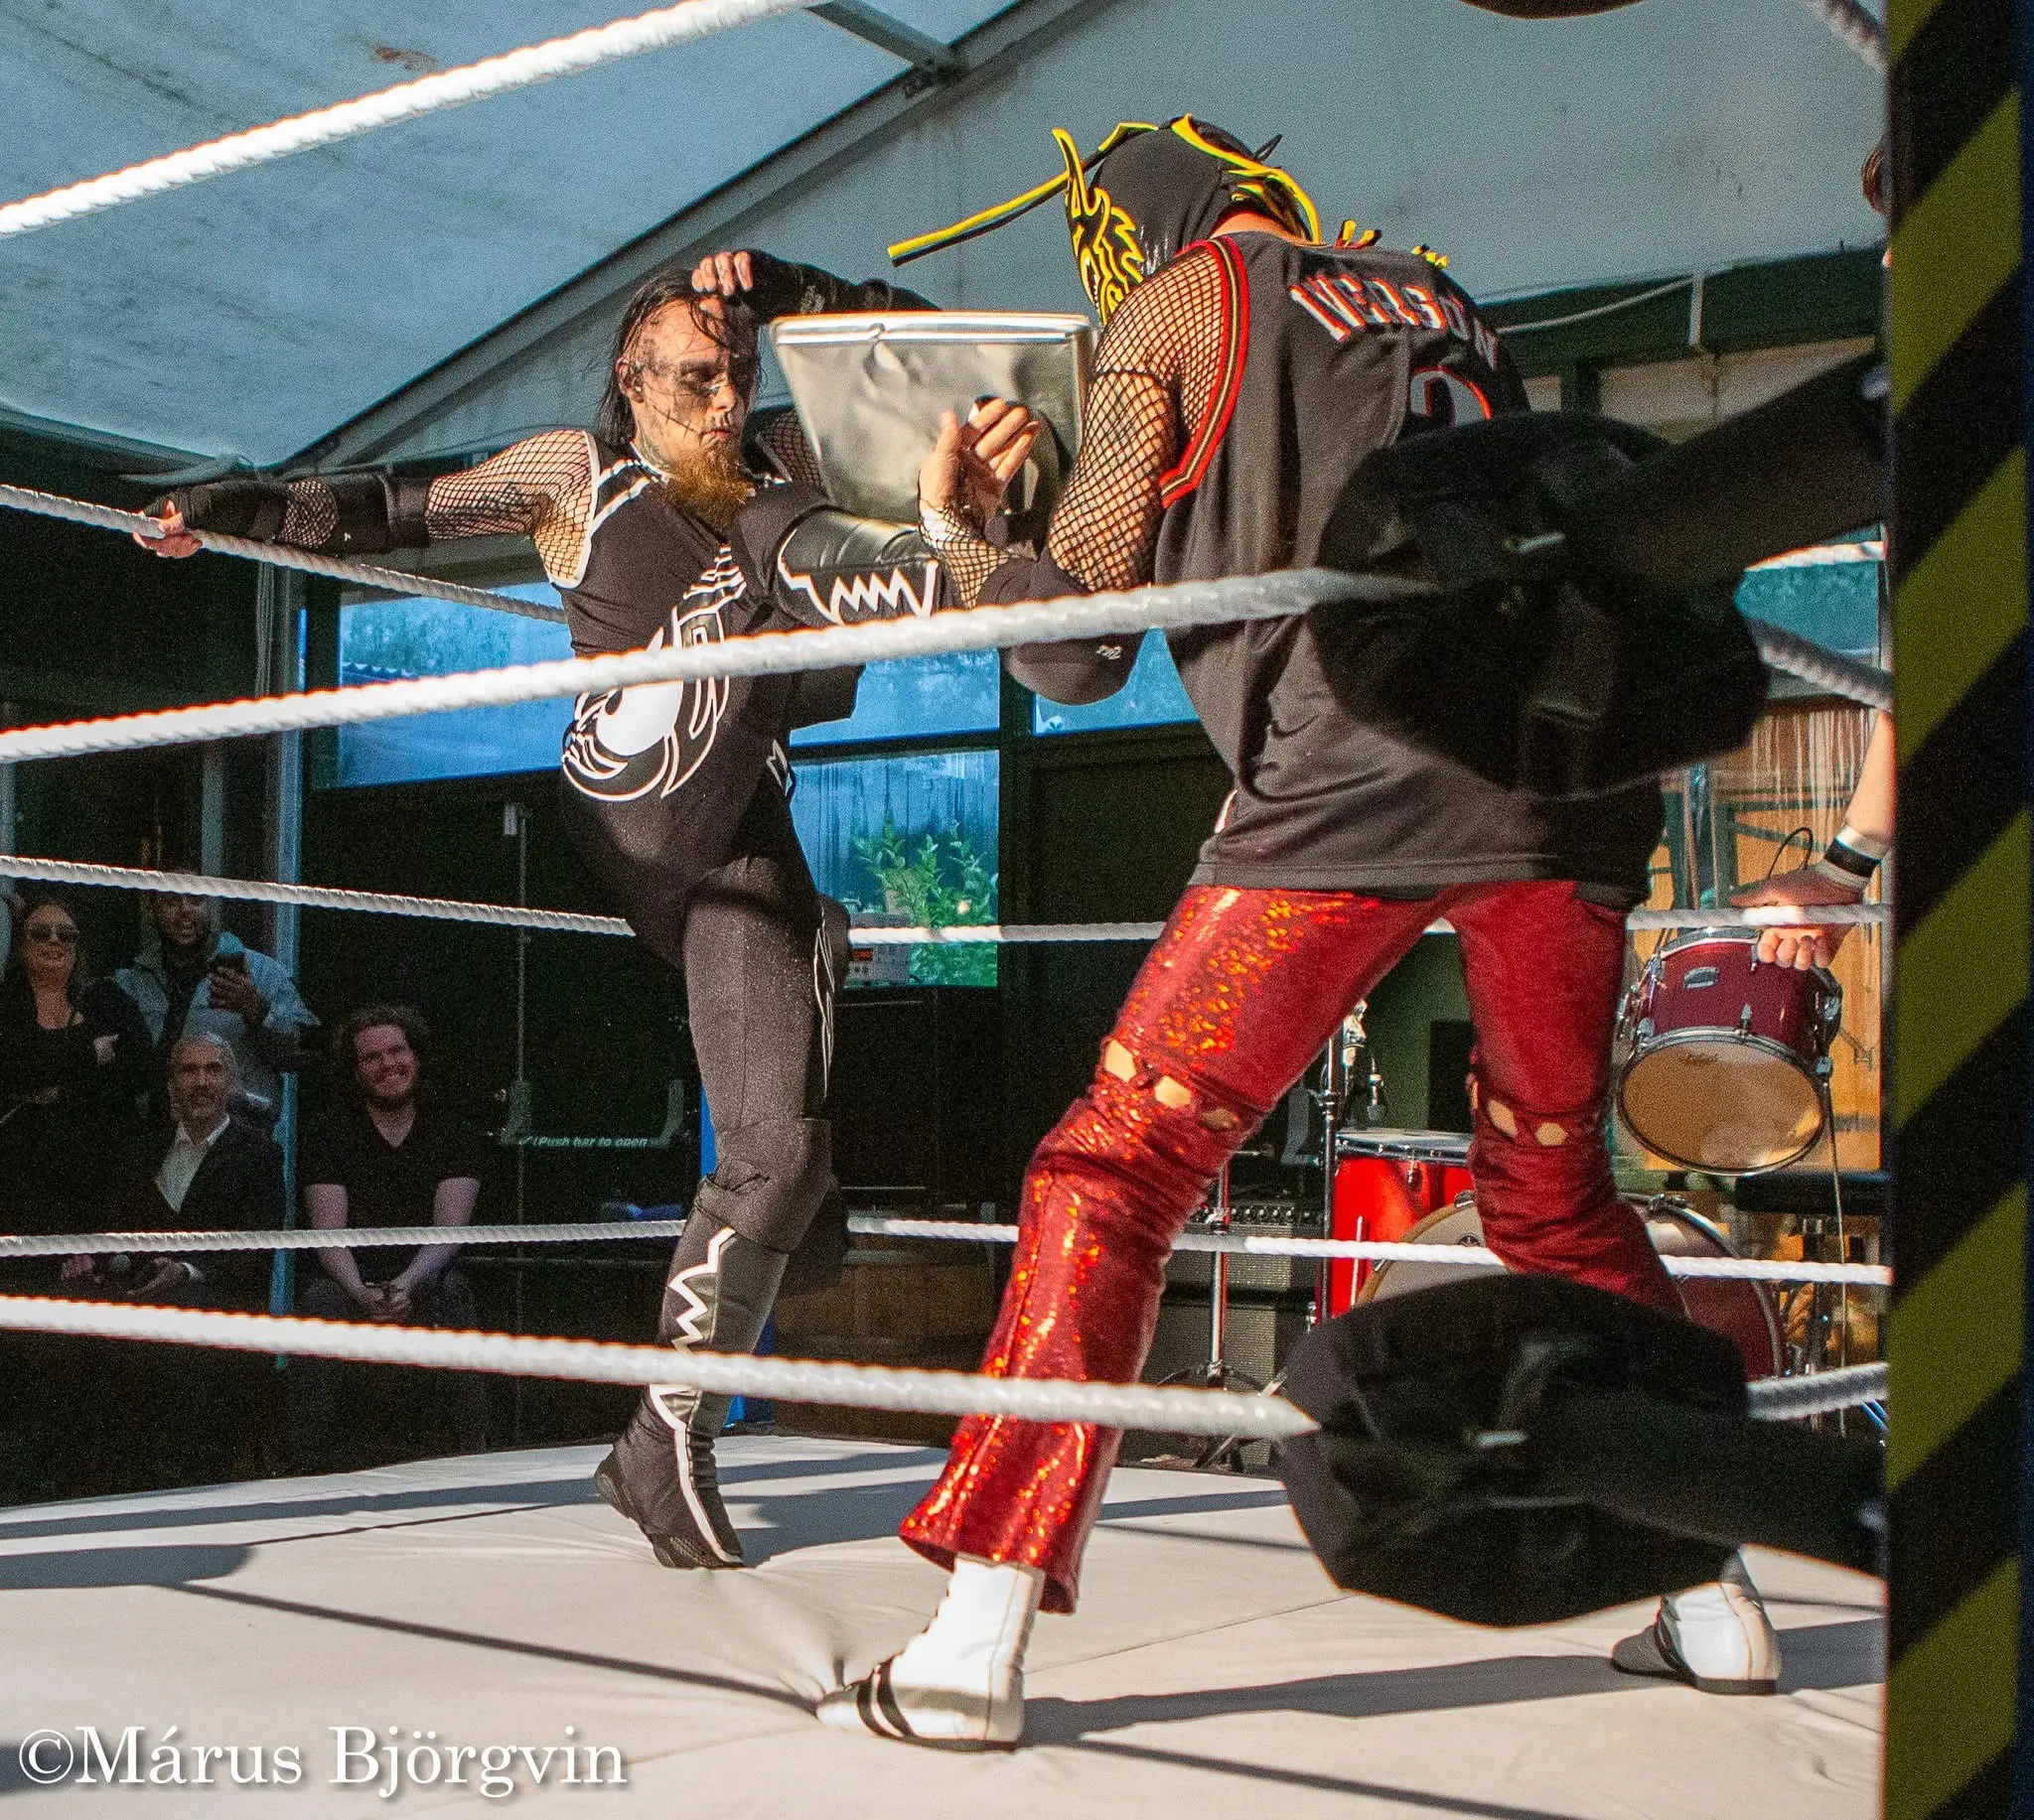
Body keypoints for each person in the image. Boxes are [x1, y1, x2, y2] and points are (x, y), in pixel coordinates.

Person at [814, 116, 1766, 1746]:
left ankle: (972, 1637)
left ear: (1125, 233)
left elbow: (1073, 647)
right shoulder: (1446, 298)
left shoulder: (1177, 303)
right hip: (1555, 784)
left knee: (1114, 1162)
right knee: (1548, 1187)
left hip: (1351, 781)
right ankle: (1711, 1589)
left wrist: (968, 533)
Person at [142, 252, 1039, 1568]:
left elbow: (921, 370)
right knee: (773, 555)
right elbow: (391, 508)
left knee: (780, 1154)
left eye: (738, 372)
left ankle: (660, 1441)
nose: (727, 399)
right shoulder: (582, 472)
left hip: (746, 827)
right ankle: (689, 1374)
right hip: (636, 788)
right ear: (634, 377)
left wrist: (791, 285)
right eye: (696, 377)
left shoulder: (780, 455)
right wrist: (226, 509)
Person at [293, 1007, 489, 1467]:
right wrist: (360, 1290)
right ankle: (308, 1466)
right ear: (356, 1070)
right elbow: (328, 1236)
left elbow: (449, 1233)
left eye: (396, 1051)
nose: (388, 1065)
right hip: (350, 1276)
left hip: (425, 1272)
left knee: (456, 1293)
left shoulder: (452, 1131)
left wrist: (406, 1285)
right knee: (321, 1300)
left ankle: (471, 1460)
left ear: (416, 1057)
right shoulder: (328, 1133)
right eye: (372, 1058)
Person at [0, 890, 151, 1247]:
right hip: (16, 1175)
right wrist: (87, 1055)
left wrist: (60, 1089)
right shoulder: (5, 1003)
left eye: (66, 934)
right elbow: (12, 1069)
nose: (54, 941)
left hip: (101, 1174)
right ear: (21, 944)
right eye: (41, 933)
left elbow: (140, 1069)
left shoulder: (107, 1000)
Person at [114, 892, 317, 1131]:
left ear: (211, 904)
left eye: (196, 899)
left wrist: (257, 1010)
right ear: (153, 910)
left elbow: (305, 1056)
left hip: (239, 1138)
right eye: (171, 900)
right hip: (154, 1137)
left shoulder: (262, 973)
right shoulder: (131, 982)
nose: (185, 910)